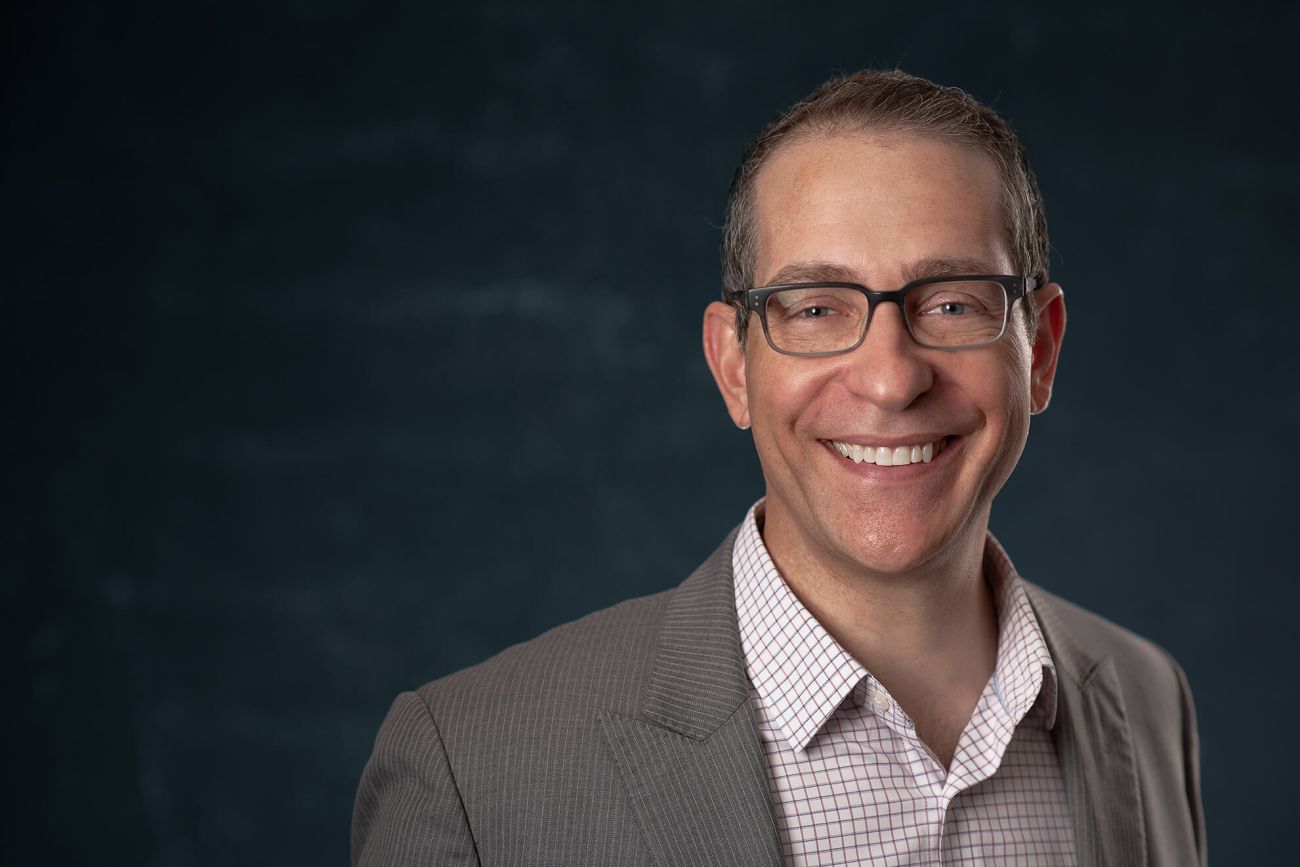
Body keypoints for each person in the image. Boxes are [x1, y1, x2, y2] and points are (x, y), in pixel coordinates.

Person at [352, 69, 1207, 866]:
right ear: (733, 366)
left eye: (952, 302)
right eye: (816, 308)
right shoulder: (472, 773)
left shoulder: (1147, 702)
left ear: (1040, 351)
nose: (890, 379)